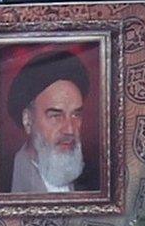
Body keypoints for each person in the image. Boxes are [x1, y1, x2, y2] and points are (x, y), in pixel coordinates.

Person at [7, 49, 98, 194]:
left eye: (76, 115)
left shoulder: (95, 180)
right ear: (28, 120)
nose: (69, 129)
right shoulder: (5, 181)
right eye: (56, 116)